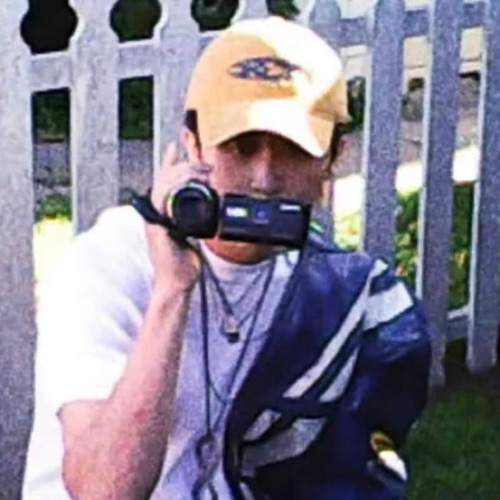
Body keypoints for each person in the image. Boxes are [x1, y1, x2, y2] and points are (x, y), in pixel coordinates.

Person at [23, 16, 431, 500]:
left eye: (293, 149)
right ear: (193, 145)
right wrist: (171, 291)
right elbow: (103, 491)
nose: (264, 178)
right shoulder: (103, 267)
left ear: (331, 160)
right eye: (241, 146)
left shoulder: (331, 288)